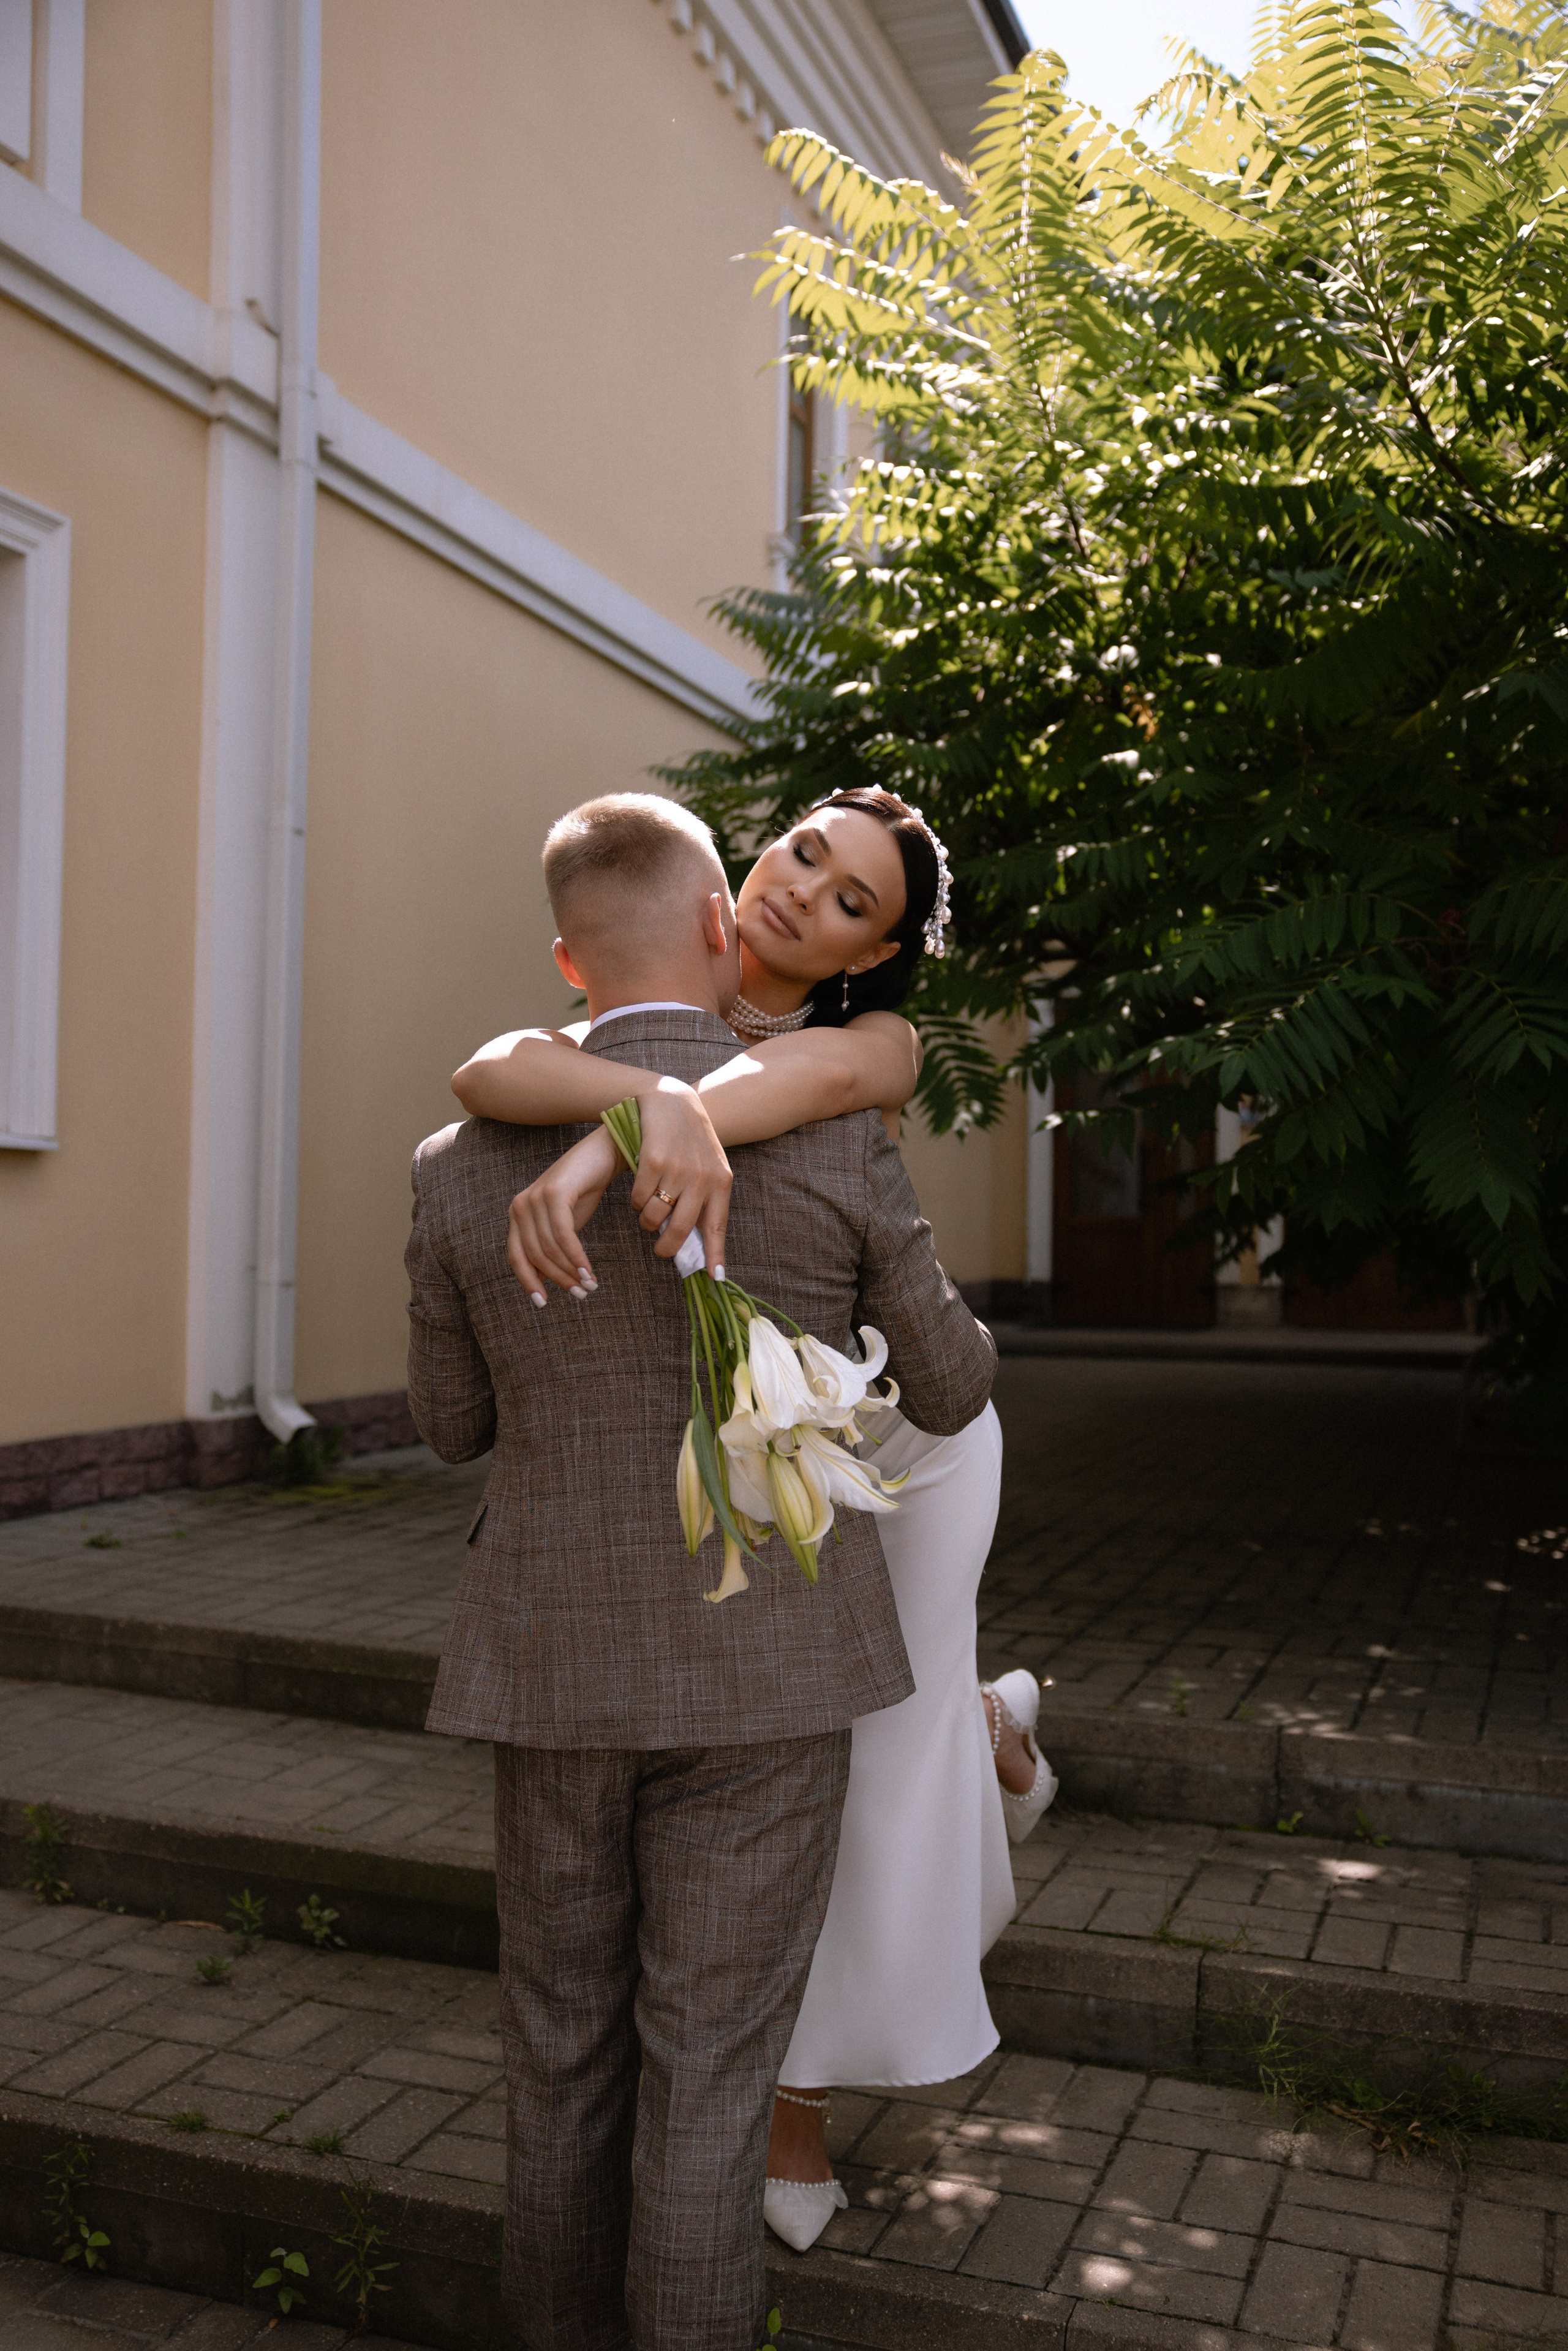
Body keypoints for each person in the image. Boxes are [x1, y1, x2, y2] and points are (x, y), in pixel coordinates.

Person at [407, 792, 998, 2351]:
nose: (807, 888)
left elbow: (450, 1426)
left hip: (550, 1671)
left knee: (556, 2056)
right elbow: (944, 1383)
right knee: (711, 2074)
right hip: (769, 1676)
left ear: (567, 950)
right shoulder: (839, 1148)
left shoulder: (459, 1160)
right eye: (800, 850)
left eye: (851, 890)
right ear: (726, 916)